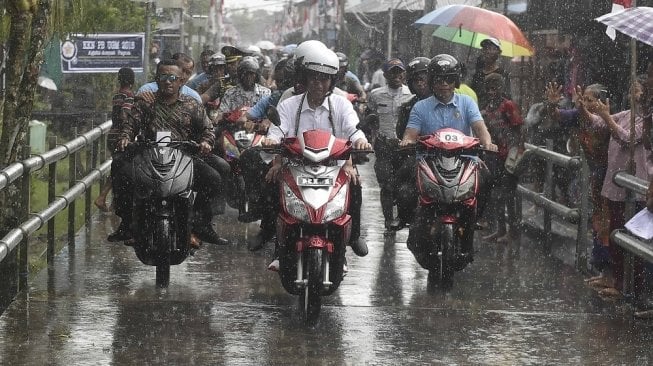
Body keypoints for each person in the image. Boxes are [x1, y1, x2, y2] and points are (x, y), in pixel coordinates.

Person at [261, 41, 372, 268]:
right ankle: (273, 241)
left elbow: (352, 131)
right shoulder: (289, 105)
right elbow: (278, 131)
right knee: (272, 185)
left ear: (332, 81)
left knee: (356, 186)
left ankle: (353, 237)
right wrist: (272, 145)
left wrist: (360, 142)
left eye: (324, 78)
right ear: (305, 78)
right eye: (313, 78)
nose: (318, 83)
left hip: (334, 166)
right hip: (295, 165)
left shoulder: (341, 105)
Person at [108, 59, 227, 247]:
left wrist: (205, 142)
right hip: (148, 156)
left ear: (181, 81)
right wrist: (125, 138)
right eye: (164, 77)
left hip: (183, 157)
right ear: (157, 79)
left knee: (213, 178)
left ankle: (200, 225)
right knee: (120, 169)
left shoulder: (192, 104)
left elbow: (208, 128)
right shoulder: (145, 103)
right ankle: (127, 223)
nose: (168, 81)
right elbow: (130, 126)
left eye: (173, 77)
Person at [399, 54, 497, 263]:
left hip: (465, 161)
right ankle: (407, 221)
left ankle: (474, 221)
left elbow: (481, 129)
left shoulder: (467, 103)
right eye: (439, 80)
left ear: (456, 81)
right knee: (402, 183)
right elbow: (410, 134)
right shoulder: (420, 107)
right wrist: (407, 142)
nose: (444, 84)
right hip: (427, 161)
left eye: (449, 79)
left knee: (488, 178)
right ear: (432, 81)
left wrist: (487, 142)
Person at [365, 58, 414, 232]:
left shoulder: (411, 95)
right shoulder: (376, 95)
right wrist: (371, 137)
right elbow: (370, 117)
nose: (396, 75)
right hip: (384, 146)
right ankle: (388, 221)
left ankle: (402, 217)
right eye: (392, 72)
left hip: (405, 147)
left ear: (404, 74)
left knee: (403, 186)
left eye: (399, 71)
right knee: (385, 186)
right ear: (385, 75)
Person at [479, 73, 524, 242]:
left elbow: (519, 128)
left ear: (501, 88)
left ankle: (512, 232)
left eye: (494, 88)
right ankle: (500, 229)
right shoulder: (488, 107)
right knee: (495, 194)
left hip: (508, 156)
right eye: (489, 88)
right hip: (494, 155)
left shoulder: (508, 106)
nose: (491, 92)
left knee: (508, 195)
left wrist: (516, 152)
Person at [95, 67, 135, 212]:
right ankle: (103, 197)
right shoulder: (129, 96)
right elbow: (124, 115)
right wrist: (131, 124)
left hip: (112, 134)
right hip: (121, 136)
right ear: (132, 80)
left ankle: (114, 202)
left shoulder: (117, 95)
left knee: (118, 167)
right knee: (120, 169)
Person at [470, 38, 510, 107]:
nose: (488, 51)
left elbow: (506, 97)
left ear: (499, 52)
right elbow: (472, 95)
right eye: (485, 48)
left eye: (492, 49)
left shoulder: (502, 74)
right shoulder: (477, 75)